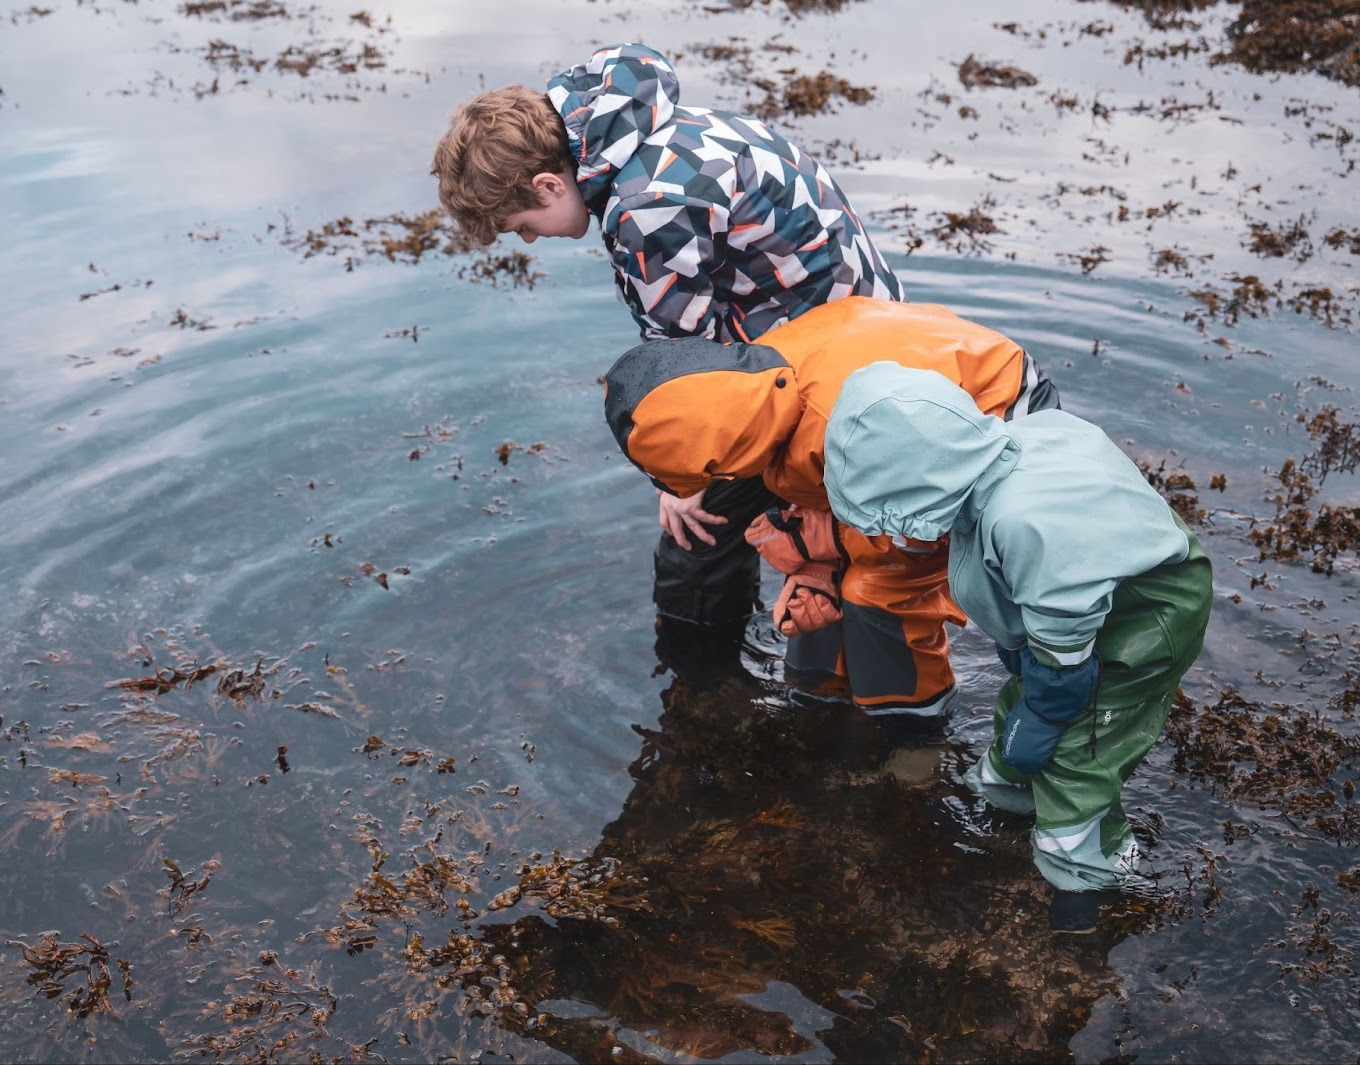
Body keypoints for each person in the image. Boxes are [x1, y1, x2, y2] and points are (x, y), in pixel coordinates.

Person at [431, 42, 910, 693]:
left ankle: (703, 695)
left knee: (696, 538)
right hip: (866, 332)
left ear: (548, 184)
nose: (529, 240)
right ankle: (826, 678)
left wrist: (681, 479)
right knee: (820, 530)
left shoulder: (646, 207)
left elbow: (685, 372)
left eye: (522, 225)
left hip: (834, 374)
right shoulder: (653, 132)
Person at [821, 362, 1212, 932]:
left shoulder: (1026, 521)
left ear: (921, 479)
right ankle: (1006, 796)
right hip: (1081, 602)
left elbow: (1065, 639)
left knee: (1081, 745)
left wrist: (1050, 705)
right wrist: (1031, 688)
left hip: (1143, 620)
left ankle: (1090, 878)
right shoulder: (1012, 448)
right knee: (1025, 709)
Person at [603, 296, 1059, 715]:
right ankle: (820, 691)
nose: (719, 482)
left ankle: (912, 724)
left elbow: (908, 532)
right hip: (911, 395)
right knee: (819, 579)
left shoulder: (837, 424)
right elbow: (827, 488)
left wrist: (828, 564)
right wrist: (817, 561)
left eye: (712, 473)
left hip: (1002, 407)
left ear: (722, 452)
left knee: (882, 590)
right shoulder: (758, 388)